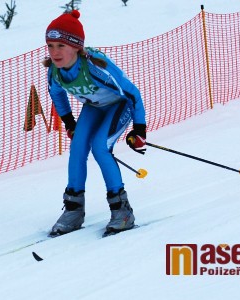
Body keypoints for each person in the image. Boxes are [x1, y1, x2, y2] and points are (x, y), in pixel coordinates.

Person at [43, 10, 147, 237]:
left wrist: (139, 130)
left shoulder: (94, 67)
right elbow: (57, 96)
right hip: (95, 107)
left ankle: (122, 211)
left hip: (119, 105)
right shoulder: (55, 71)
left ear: (76, 46)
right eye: (50, 46)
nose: (54, 52)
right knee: (78, 146)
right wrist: (70, 123)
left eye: (60, 46)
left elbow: (132, 94)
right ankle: (73, 210)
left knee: (100, 147)